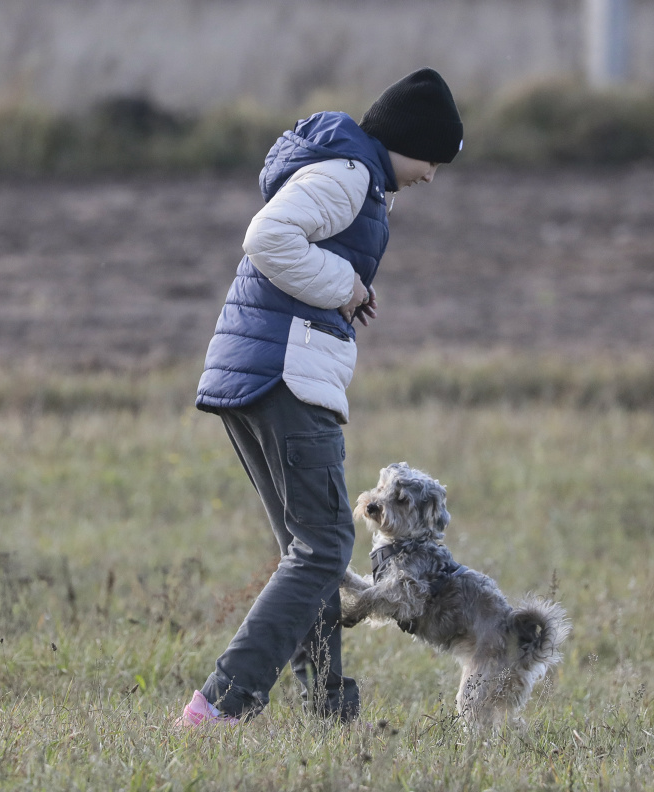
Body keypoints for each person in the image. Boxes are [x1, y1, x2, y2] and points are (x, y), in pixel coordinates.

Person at [175, 67, 463, 726]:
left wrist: (346, 289)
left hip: (261, 369)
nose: (432, 175)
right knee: (326, 548)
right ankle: (221, 703)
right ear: (407, 141)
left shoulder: (351, 174)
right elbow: (267, 237)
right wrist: (346, 286)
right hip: (286, 374)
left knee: (308, 553)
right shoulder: (347, 174)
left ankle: (329, 712)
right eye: (432, 159)